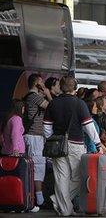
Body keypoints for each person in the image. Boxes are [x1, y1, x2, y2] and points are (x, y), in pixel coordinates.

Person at [43, 76, 102, 216]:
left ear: (62, 87)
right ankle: (62, 206)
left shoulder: (53, 103)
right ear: (75, 88)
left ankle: (63, 207)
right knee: (80, 176)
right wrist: (98, 143)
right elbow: (89, 127)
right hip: (76, 144)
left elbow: (46, 127)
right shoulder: (79, 104)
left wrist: (51, 140)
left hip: (57, 144)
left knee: (61, 177)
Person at [24, 73, 52, 208]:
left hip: (34, 136)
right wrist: (47, 92)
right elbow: (52, 107)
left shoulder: (30, 97)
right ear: (37, 83)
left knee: (35, 167)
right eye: (42, 82)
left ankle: (35, 199)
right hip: (34, 136)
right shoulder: (34, 97)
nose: (43, 84)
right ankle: (38, 200)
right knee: (38, 167)